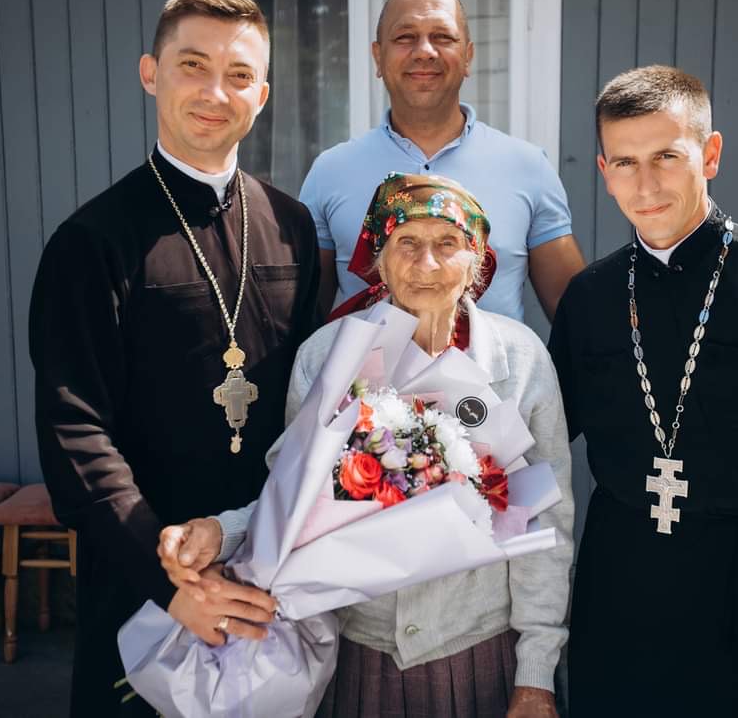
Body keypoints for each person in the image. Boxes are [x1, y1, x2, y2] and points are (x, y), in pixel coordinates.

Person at [161, 173, 574, 717]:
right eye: (407, 243)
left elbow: (545, 524)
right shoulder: (328, 355)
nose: (427, 263)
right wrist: (224, 532)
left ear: (476, 258)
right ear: (380, 258)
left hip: (478, 649)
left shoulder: (520, 360)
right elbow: (292, 504)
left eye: (447, 243)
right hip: (357, 652)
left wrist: (536, 673)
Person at [28, 0, 319, 716]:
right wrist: (171, 585)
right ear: (150, 73)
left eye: (240, 74)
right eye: (193, 65)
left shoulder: (291, 226)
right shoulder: (93, 241)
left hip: (272, 576)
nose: (216, 92)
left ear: (262, 95)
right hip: (142, 582)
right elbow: (75, 432)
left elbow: (318, 407)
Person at [548, 66, 738, 717]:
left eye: (667, 156)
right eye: (626, 162)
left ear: (710, 154)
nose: (646, 184)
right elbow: (536, 438)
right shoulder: (590, 297)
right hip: (617, 585)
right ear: (604, 171)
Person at [300, 0, 585, 323]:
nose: (424, 51)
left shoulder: (528, 167)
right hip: (366, 361)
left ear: (468, 56)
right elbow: (304, 322)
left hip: (496, 361)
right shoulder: (330, 172)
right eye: (405, 37)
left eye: (443, 37)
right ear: (378, 56)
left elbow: (578, 321)